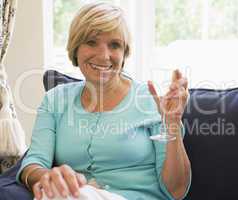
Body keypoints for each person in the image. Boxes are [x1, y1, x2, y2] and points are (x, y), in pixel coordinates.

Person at [16, 2, 191, 200]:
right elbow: (34, 161)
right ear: (76, 48)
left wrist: (173, 124)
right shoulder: (55, 100)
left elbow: (176, 191)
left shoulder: (150, 100)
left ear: (124, 53)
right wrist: (47, 177)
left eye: (114, 45)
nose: (104, 55)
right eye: (91, 42)